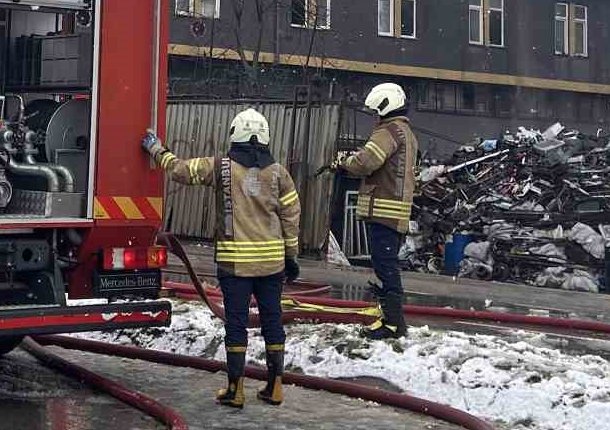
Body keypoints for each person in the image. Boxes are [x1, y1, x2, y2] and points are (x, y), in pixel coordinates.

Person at [143, 109, 301, 408]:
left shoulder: (220, 167)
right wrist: (290, 256)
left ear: (235, 134)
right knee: (272, 320)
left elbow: (181, 171)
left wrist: (156, 149)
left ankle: (235, 390)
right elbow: (292, 216)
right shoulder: (280, 173)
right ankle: (275, 387)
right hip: (272, 265)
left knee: (237, 324)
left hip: (235, 264)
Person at [332, 82, 418, 341]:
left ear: (385, 106)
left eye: (376, 111)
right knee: (386, 267)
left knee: (386, 268)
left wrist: (343, 163)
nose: (375, 116)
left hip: (383, 212)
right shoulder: (406, 133)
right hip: (395, 213)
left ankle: (393, 324)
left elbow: (366, 162)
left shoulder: (388, 131)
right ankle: (390, 319)